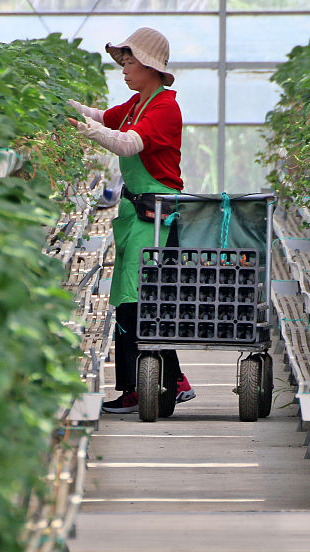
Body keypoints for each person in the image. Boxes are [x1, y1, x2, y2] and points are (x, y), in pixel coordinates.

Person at [66, 27, 196, 414]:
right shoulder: (139, 102)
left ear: (151, 67)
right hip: (136, 213)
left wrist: (87, 131)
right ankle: (163, 381)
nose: (123, 68)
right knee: (130, 299)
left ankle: (152, 385)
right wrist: (63, 106)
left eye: (130, 61)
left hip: (157, 217)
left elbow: (127, 143)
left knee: (142, 300)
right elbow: (103, 116)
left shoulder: (164, 108)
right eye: (122, 61)